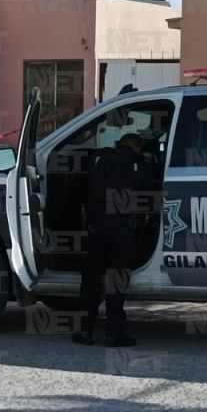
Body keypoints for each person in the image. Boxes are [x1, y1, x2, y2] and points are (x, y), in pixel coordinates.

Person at [73, 133, 156, 347]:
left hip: (96, 227)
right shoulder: (141, 164)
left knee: (90, 282)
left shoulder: (98, 159)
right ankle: (113, 334)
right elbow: (150, 198)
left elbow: (80, 191)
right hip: (123, 230)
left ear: (120, 143)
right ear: (137, 147)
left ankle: (83, 332)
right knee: (116, 284)